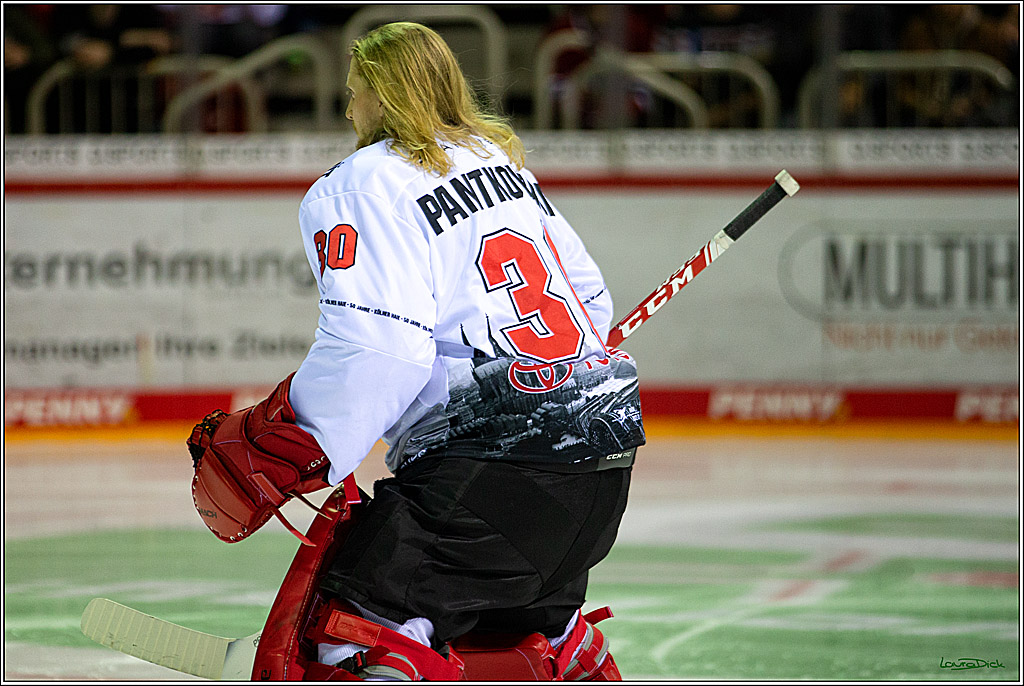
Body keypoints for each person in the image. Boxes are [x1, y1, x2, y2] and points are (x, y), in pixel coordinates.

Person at [187, 21, 644, 681]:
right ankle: (560, 645)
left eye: (355, 92)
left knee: (345, 641)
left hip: (493, 472)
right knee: (518, 637)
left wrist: (291, 443)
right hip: (604, 470)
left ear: (386, 94)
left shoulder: (362, 184)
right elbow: (592, 304)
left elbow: (380, 349)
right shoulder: (499, 162)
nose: (347, 110)